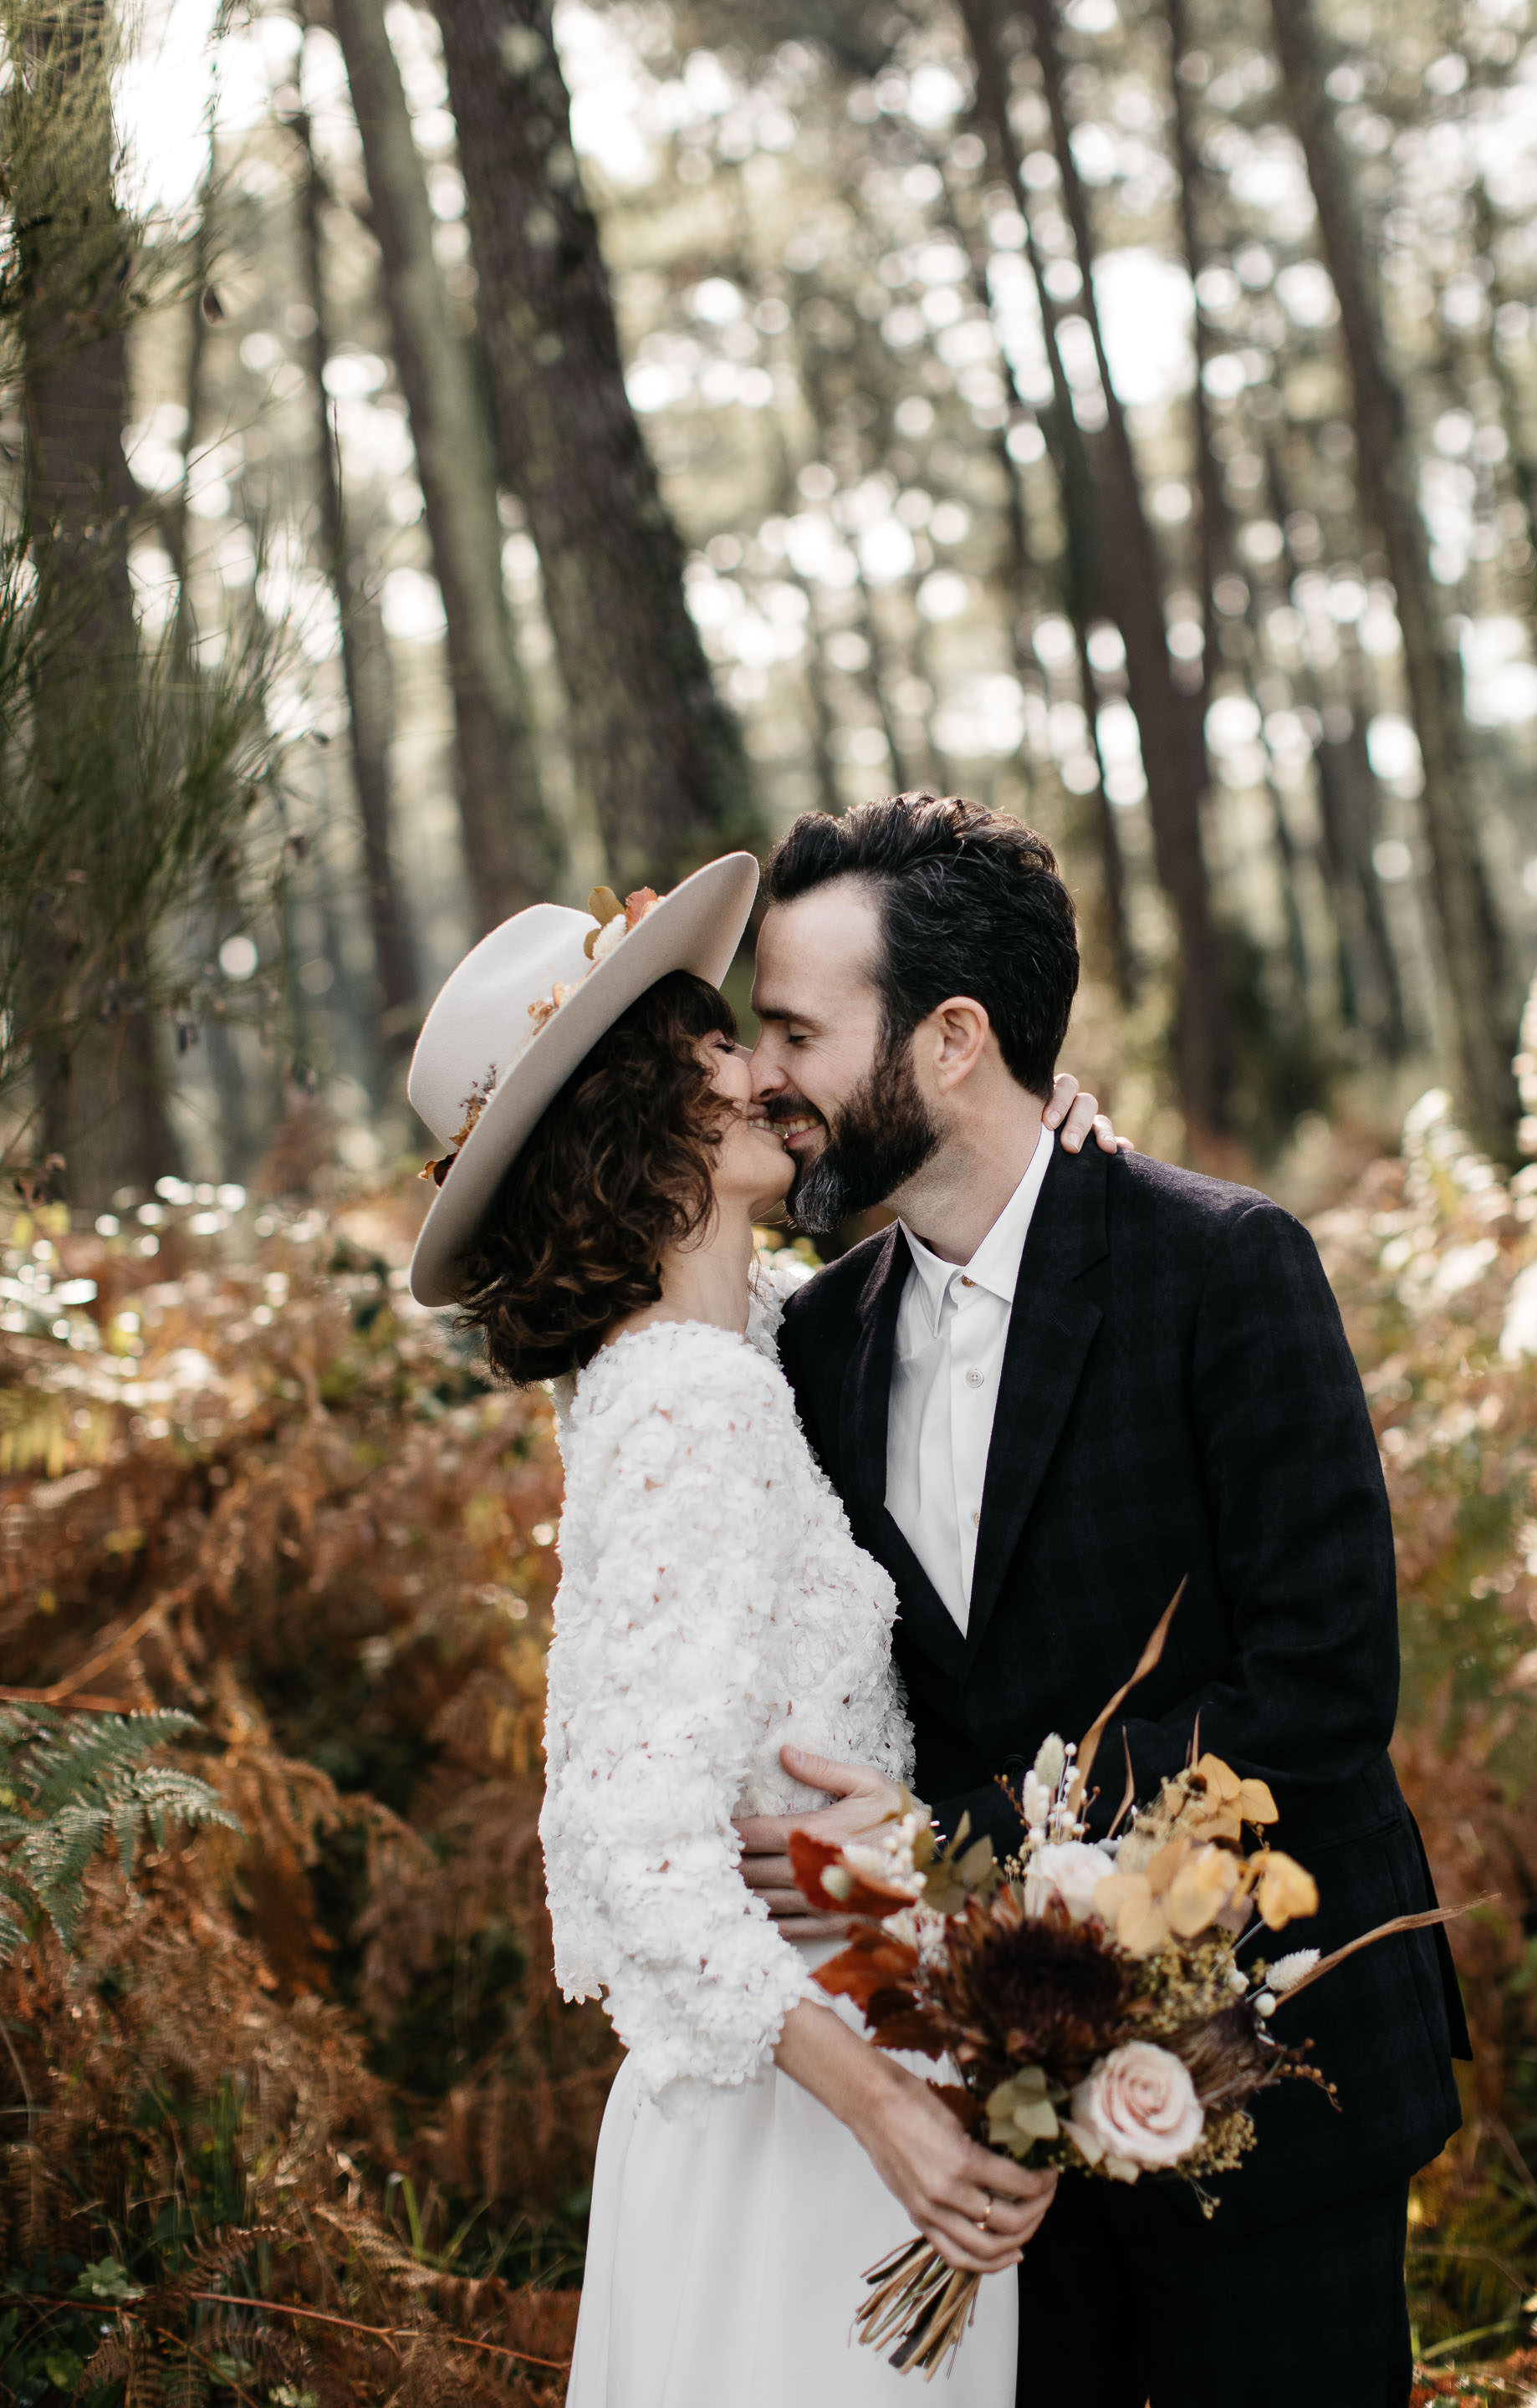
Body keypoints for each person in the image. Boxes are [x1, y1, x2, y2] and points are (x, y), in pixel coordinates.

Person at [735, 792, 1469, 2408]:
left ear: (949, 1039)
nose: (760, 1075)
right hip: (999, 2145)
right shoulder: (807, 1348)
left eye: (795, 1028)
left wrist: (955, 1831)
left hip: (1275, 2090)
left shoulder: (1225, 1268)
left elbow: (1327, 1690)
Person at [402, 854, 1119, 2407]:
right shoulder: (687, 1410)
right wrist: (888, 2113)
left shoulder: (744, 1352)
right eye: (710, 1044)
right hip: (810, 2132)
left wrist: (1046, 1146)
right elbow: (628, 1850)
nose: (759, 1070)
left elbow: (947, 1268)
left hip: (854, 2072)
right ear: (649, 1118)